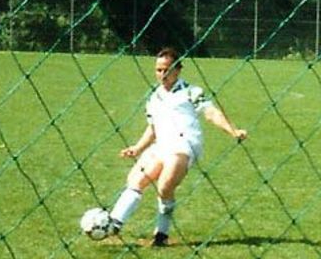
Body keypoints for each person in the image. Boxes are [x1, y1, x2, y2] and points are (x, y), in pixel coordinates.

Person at [98, 46, 248, 247]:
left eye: (166, 69)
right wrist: (137, 148)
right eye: (159, 70)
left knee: (164, 186)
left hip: (185, 145)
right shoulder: (154, 96)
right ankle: (113, 223)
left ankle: (162, 232)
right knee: (136, 179)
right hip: (162, 145)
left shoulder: (191, 92)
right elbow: (153, 128)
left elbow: (211, 113)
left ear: (177, 70)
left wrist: (233, 131)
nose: (162, 74)